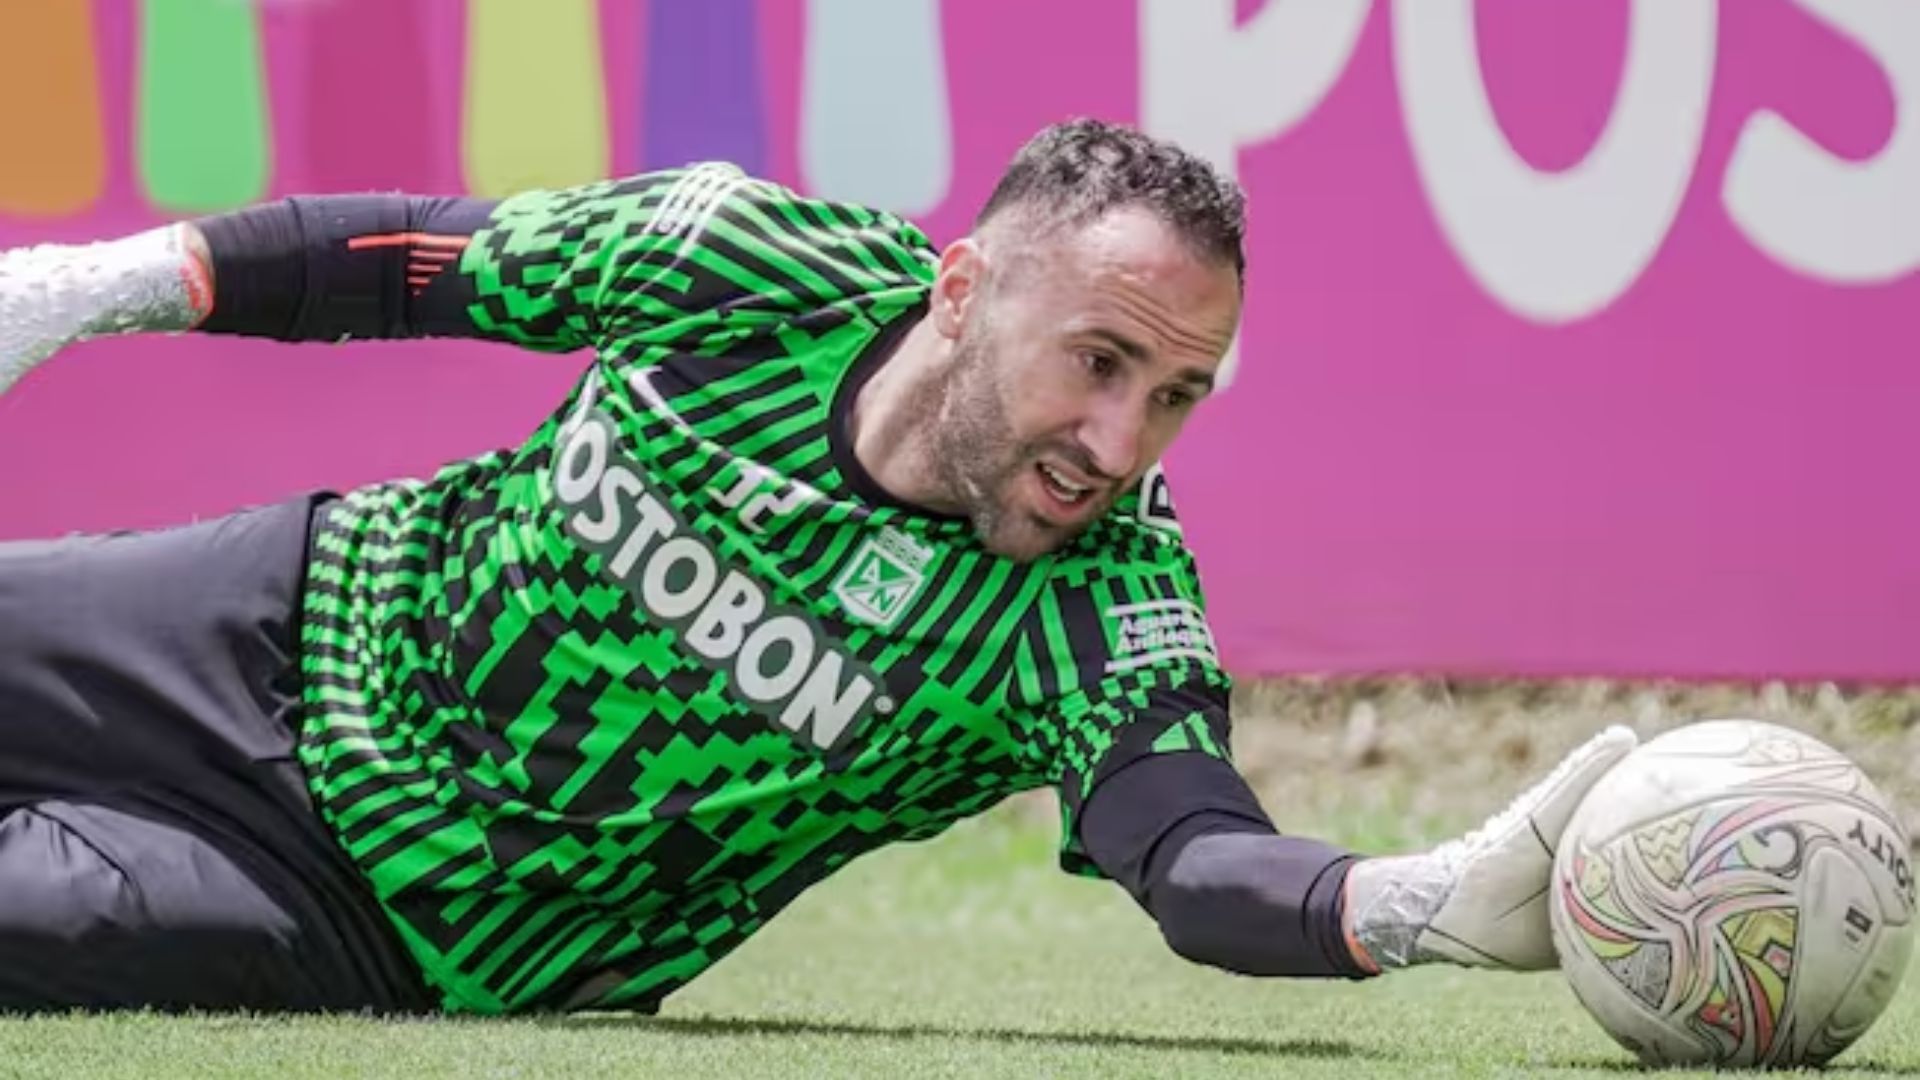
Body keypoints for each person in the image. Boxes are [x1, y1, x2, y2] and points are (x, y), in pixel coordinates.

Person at [0, 118, 1637, 1015]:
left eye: (1176, 396)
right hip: (272, 615)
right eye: (1098, 362)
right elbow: (419, 259)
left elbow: (1195, 855)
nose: (1119, 442)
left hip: (392, 916)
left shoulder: (1101, 611)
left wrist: (1399, 904)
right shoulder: (744, 263)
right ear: (960, 292)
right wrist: (88, 287)